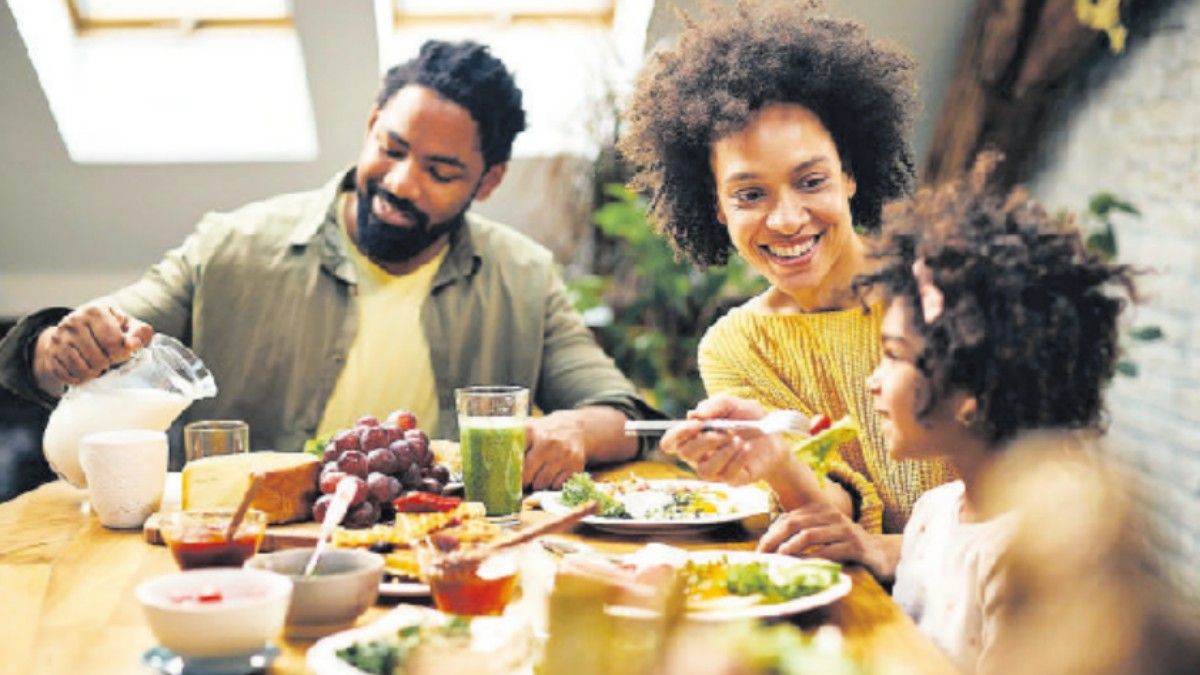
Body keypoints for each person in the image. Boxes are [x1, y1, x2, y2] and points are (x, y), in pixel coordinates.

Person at [0, 40, 654, 488]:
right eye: (390, 146)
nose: (401, 182)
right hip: (243, 554)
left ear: (487, 182)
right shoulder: (233, 245)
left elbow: (622, 412)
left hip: (439, 555)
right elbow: (57, 353)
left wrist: (573, 428)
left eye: (442, 171)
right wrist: (61, 344)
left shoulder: (525, 276)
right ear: (371, 123)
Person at [617, 0, 953, 556]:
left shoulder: (937, 291)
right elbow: (838, 512)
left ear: (849, 175)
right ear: (717, 208)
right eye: (750, 194)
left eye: (811, 181)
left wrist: (887, 552)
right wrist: (776, 460)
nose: (787, 219)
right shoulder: (738, 346)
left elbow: (1020, 510)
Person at [854, 154, 1137, 672]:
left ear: (972, 393)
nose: (873, 380)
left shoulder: (1027, 558)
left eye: (894, 356)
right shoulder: (934, 516)